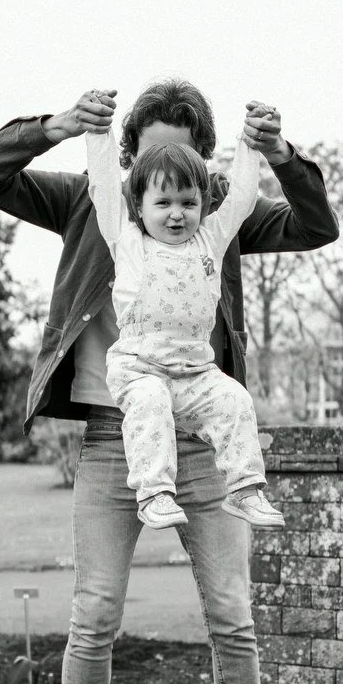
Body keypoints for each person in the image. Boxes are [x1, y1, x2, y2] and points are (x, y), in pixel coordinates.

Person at [0, 82, 338, 684]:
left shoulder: (207, 210)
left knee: (233, 618)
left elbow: (315, 225)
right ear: (129, 158)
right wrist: (63, 126)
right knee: (92, 617)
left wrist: (281, 154)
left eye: (190, 163)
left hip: (201, 440)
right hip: (110, 441)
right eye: (156, 160)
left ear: (202, 169)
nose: (174, 186)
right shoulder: (84, 202)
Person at [85, 115, 283, 531]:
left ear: (204, 205)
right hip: (141, 369)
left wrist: (249, 145)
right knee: (151, 401)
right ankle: (154, 493)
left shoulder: (210, 239)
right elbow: (103, 188)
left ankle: (245, 490)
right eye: (163, 203)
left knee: (235, 400)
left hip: (196, 374)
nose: (177, 214)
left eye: (188, 203)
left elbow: (244, 197)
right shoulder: (127, 240)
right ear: (138, 207)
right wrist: (99, 134)